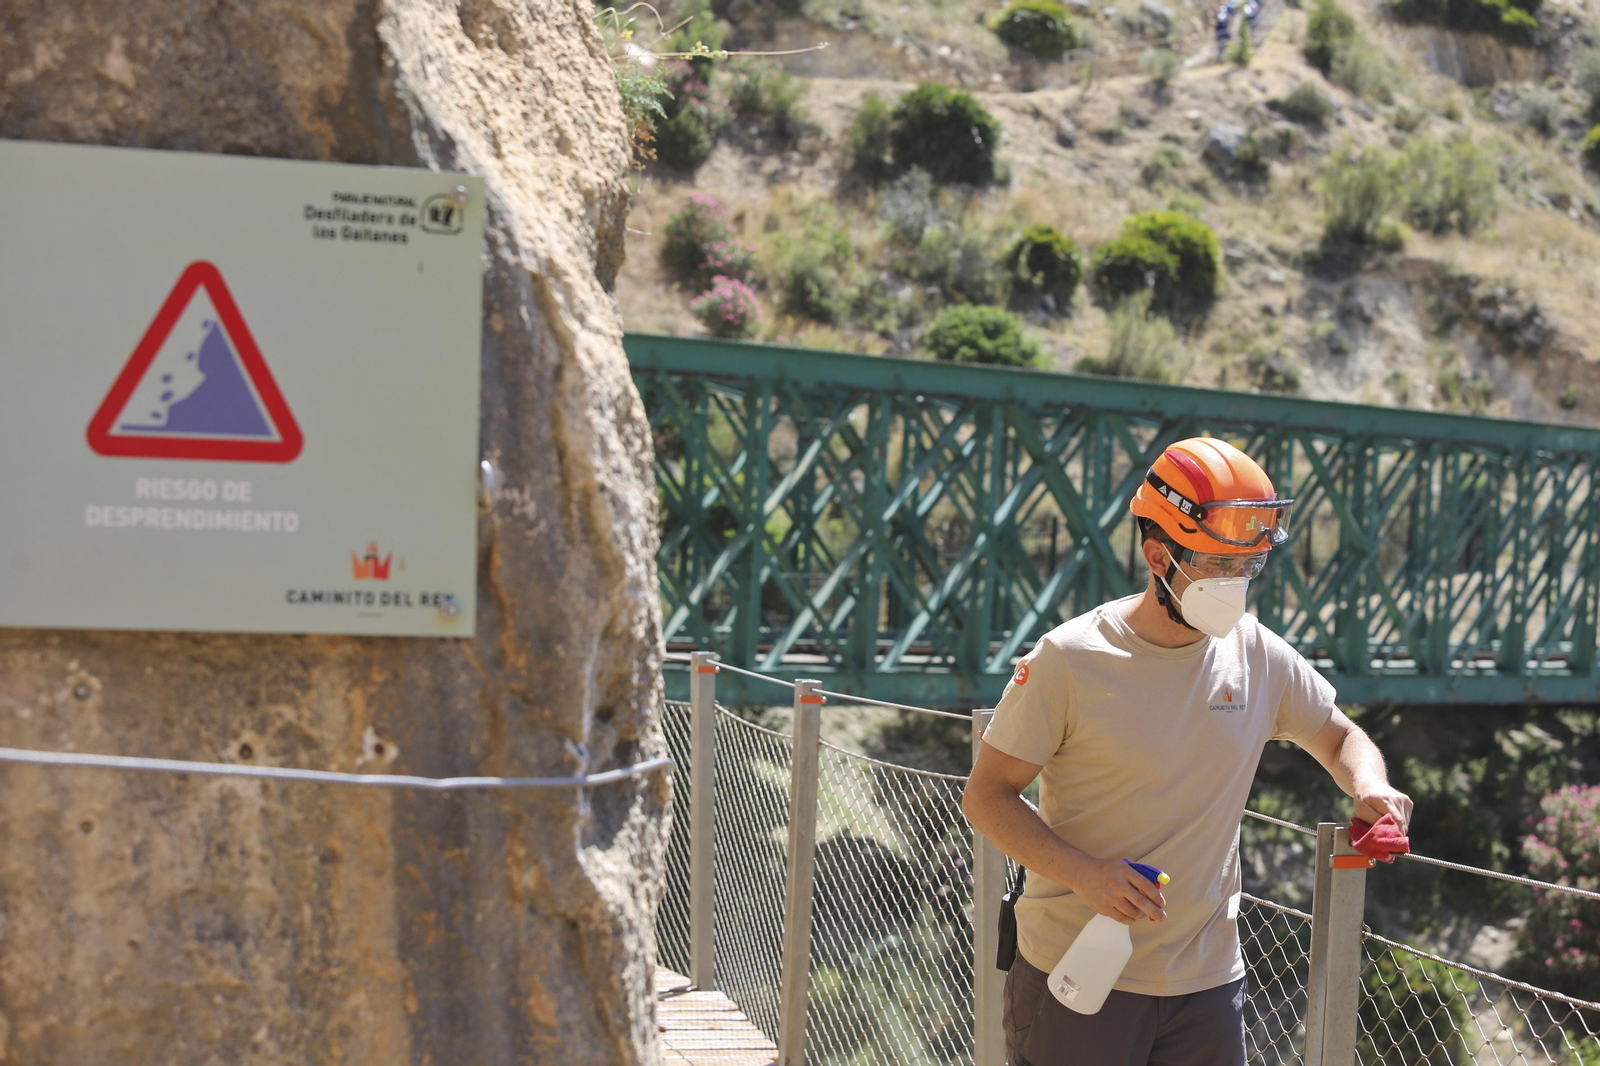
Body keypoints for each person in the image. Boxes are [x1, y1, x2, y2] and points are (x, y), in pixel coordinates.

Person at [961, 437, 1414, 1066]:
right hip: (1077, 975)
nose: (1235, 584)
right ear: (1157, 554)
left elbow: (1340, 736)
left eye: (1247, 566)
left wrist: (1369, 786)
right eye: (1215, 564)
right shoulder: (1069, 658)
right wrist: (1085, 875)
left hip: (1207, 984)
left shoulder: (1257, 653)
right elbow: (986, 796)